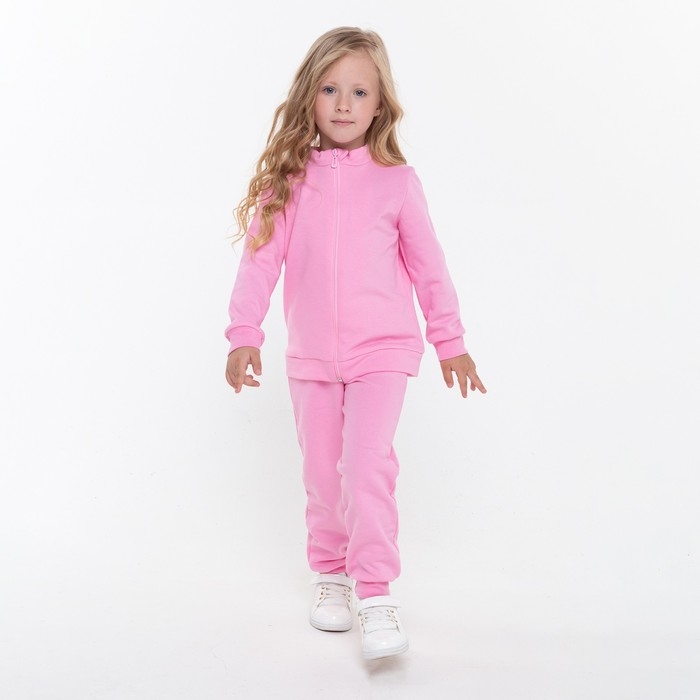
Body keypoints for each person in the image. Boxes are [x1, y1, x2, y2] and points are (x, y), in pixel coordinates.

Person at [224, 26, 486, 661]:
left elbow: (429, 267)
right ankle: (330, 574)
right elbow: (258, 264)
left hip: (383, 353)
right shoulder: (287, 183)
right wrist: (244, 334)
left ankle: (375, 592)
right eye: (330, 89)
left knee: (367, 466)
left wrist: (449, 340)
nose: (344, 104)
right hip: (311, 357)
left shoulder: (397, 182)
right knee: (321, 471)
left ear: (380, 104)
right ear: (309, 97)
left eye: (360, 91)